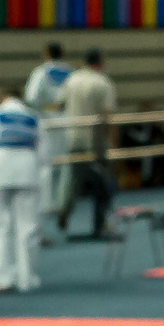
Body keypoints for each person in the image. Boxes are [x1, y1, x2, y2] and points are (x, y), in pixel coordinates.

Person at [0, 83, 45, 294]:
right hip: (28, 167)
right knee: (28, 226)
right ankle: (28, 279)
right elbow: (44, 154)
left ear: (2, 98)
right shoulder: (34, 117)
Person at [58, 49, 117, 237]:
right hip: (95, 140)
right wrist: (113, 142)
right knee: (103, 181)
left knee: (74, 180)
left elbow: (59, 103)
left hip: (73, 136)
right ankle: (101, 222)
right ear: (100, 61)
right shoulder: (102, 82)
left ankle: (64, 210)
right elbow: (108, 115)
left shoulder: (71, 80)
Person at [23, 41, 75, 221]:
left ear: (46, 54)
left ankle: (46, 204)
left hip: (47, 121)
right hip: (67, 120)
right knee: (65, 164)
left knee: (47, 164)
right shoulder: (71, 72)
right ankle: (62, 202)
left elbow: (31, 98)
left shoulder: (41, 72)